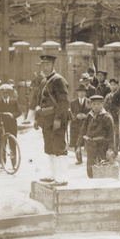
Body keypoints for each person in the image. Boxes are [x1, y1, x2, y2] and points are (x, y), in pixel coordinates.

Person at [35, 55, 70, 187]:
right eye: (43, 64)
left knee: (59, 148)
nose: (45, 67)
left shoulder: (58, 80)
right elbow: (40, 102)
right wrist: (37, 119)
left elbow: (64, 101)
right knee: (49, 148)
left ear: (53, 65)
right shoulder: (44, 81)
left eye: (47, 64)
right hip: (46, 120)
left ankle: (62, 178)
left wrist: (58, 119)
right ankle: (53, 175)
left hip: (56, 119)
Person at [76, 95, 114, 178]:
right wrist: (78, 146)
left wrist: (110, 149)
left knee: (101, 170)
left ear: (102, 104)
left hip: (102, 147)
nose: (96, 106)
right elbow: (83, 130)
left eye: (98, 104)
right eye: (94, 104)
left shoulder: (107, 117)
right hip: (90, 147)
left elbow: (111, 134)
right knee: (90, 171)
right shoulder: (89, 116)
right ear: (91, 105)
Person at [0, 84, 21, 168]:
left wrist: (13, 115)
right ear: (1, 93)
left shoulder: (14, 101)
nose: (5, 95)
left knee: (13, 144)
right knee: (2, 144)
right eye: (3, 93)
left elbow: (19, 112)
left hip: (12, 126)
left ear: (9, 93)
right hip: (1, 125)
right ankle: (2, 162)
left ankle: (14, 164)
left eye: (7, 93)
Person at [69, 84, 91, 165]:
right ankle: (79, 159)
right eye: (80, 91)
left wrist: (86, 116)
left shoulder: (89, 102)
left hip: (86, 124)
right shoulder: (72, 102)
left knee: (88, 141)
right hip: (75, 124)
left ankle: (90, 159)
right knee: (76, 142)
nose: (81, 93)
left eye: (83, 91)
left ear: (85, 93)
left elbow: (91, 111)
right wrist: (75, 116)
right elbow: (70, 112)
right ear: (77, 93)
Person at [103, 78, 120, 151]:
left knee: (117, 134)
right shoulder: (108, 96)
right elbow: (104, 106)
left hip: (118, 116)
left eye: (114, 85)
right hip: (110, 116)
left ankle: (116, 150)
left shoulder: (119, 94)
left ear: (117, 85)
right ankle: (110, 149)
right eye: (111, 85)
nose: (112, 86)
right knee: (109, 133)